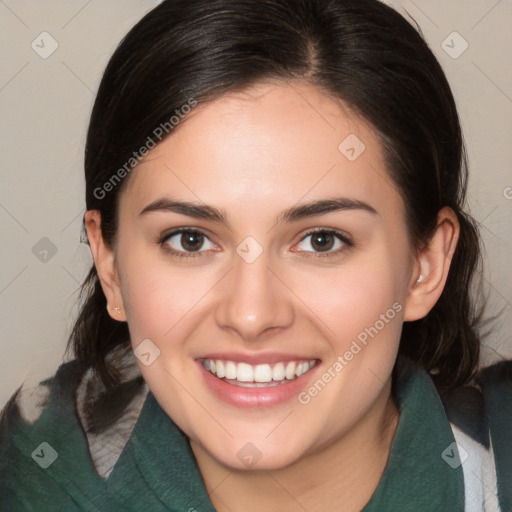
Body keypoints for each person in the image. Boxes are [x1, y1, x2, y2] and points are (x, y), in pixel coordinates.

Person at [1, 0, 510, 510]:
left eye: (321, 240)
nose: (251, 315)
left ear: (425, 265)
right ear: (110, 265)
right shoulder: (27, 473)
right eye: (190, 239)